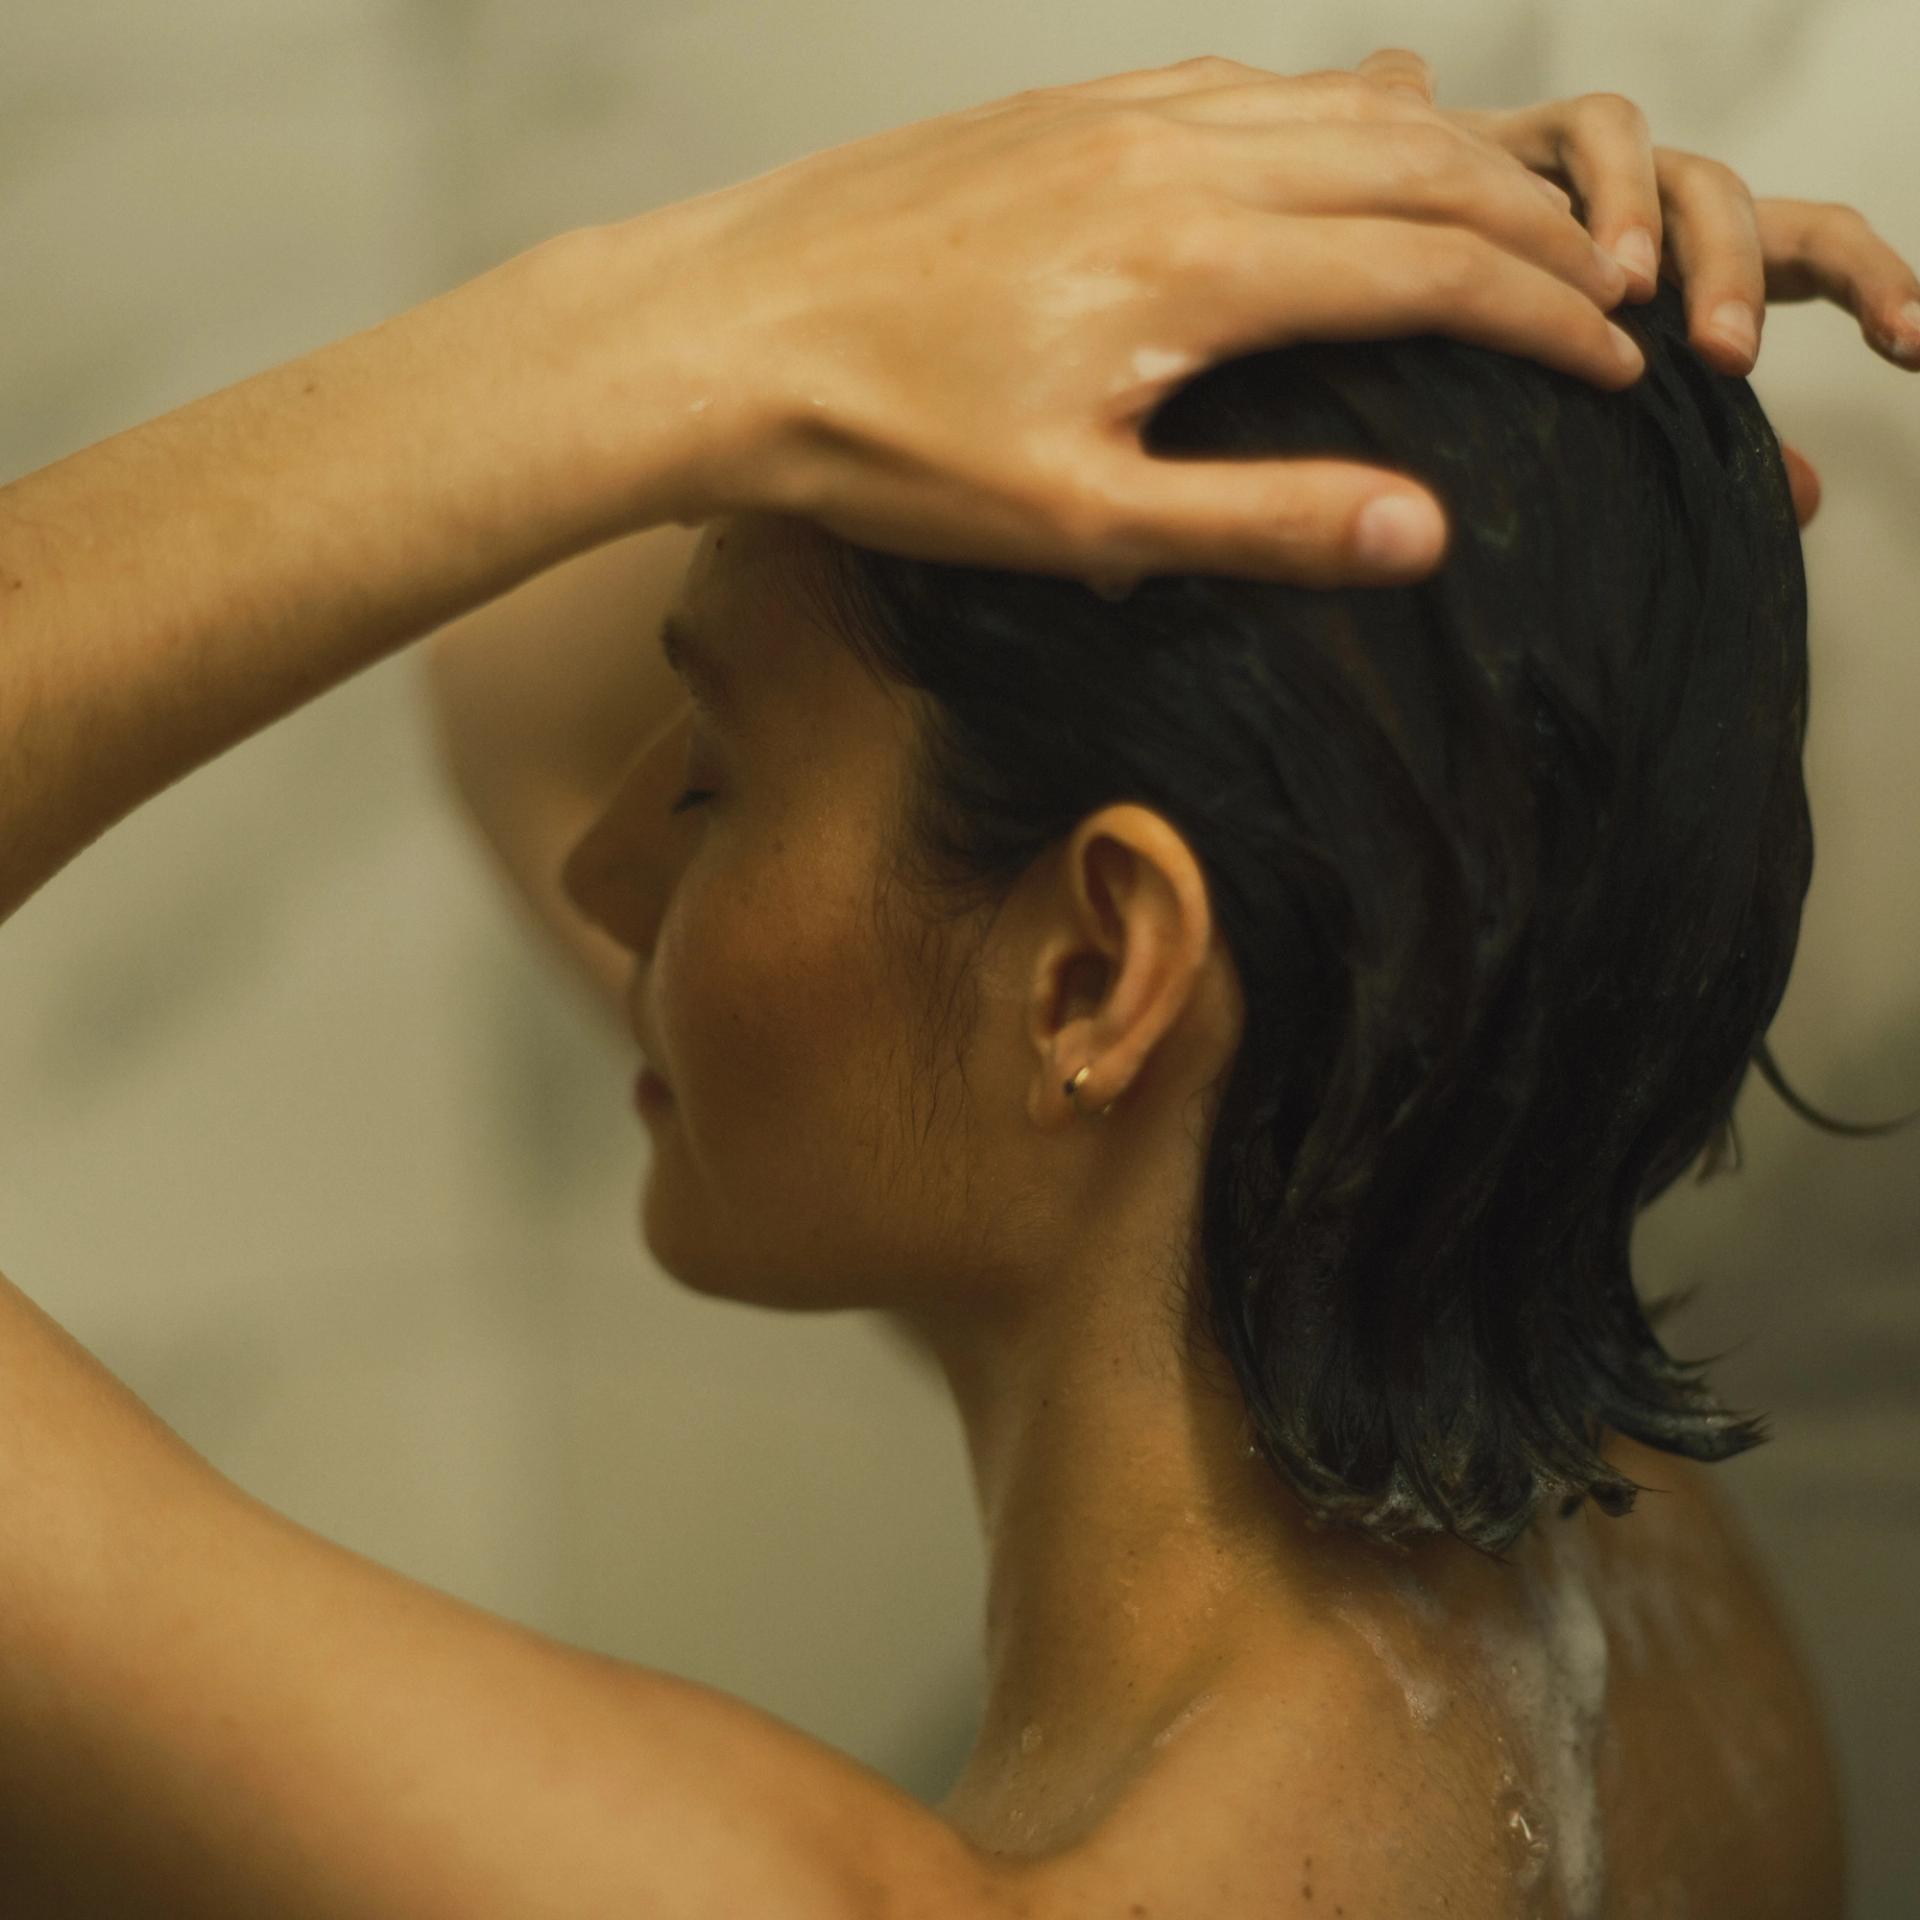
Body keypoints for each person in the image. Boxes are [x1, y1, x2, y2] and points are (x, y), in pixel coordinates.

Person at [0, 43, 1912, 1918]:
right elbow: (513, 691)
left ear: (1093, 971)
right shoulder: (1636, 1602)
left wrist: (700, 313)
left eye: (709, 778)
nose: (604, 867)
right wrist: (1330, 329)